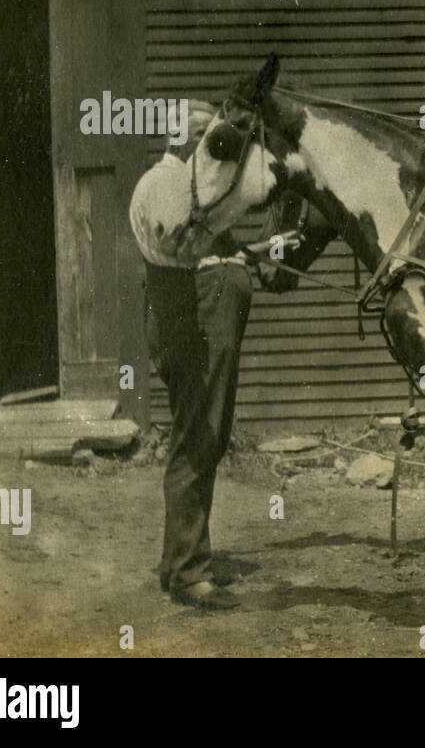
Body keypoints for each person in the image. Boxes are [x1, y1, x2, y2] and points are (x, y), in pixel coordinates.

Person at [128, 101, 292, 609]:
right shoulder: (167, 185)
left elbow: (212, 245)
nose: (217, 153)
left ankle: (177, 560)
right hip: (192, 317)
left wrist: (267, 249)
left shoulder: (185, 187)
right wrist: (231, 249)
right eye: (209, 140)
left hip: (199, 313)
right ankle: (189, 574)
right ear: (185, 141)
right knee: (198, 437)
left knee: (201, 435)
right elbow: (180, 248)